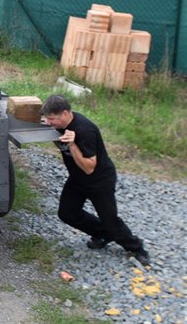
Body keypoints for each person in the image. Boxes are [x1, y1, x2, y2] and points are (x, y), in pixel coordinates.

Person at [40, 95, 150, 266]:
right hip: (77, 179)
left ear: (65, 113)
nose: (49, 122)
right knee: (67, 214)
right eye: (47, 119)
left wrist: (72, 145)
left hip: (99, 181)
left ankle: (136, 247)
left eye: (52, 119)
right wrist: (55, 135)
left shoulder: (85, 131)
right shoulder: (61, 126)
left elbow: (89, 167)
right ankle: (103, 233)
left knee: (111, 220)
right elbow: (59, 144)